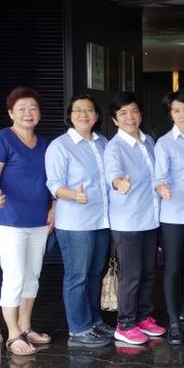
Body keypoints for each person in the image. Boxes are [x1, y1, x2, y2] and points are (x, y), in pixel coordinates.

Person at [0, 87, 54, 356]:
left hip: (39, 219)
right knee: (14, 275)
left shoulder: (45, 143)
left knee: (32, 275)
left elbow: (52, 180)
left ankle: (26, 326)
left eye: (33, 108)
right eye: (22, 109)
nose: (28, 113)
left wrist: (54, 206)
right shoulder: (0, 138)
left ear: (40, 113)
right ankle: (13, 333)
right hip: (10, 219)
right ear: (11, 113)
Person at [45, 94, 113, 348]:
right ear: (70, 116)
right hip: (75, 223)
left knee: (95, 274)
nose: (84, 114)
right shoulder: (60, 146)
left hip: (101, 221)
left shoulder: (103, 142)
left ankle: (94, 321)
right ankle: (78, 329)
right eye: (78, 110)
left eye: (89, 110)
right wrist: (74, 195)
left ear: (96, 116)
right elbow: (54, 184)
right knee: (78, 276)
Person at [104, 92, 166, 345]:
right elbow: (113, 175)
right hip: (128, 221)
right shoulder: (114, 147)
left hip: (150, 217)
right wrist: (119, 183)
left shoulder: (148, 140)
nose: (130, 117)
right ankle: (125, 323)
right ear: (114, 120)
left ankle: (143, 317)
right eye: (123, 113)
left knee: (148, 272)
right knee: (131, 275)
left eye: (134, 111)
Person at [153, 90, 184, 346]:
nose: (183, 114)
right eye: (176, 110)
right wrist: (161, 188)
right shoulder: (164, 143)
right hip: (174, 214)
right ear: (171, 115)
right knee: (173, 267)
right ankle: (173, 320)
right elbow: (159, 178)